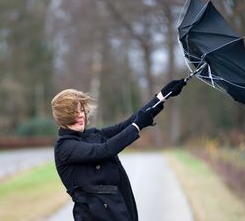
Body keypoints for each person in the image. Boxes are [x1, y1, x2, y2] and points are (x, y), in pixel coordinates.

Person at [51, 79, 186, 221]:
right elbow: (103, 151)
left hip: (119, 207)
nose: (81, 115)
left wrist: (161, 97)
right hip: (95, 216)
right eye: (74, 112)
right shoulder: (64, 147)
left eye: (81, 110)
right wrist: (137, 126)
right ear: (62, 118)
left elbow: (126, 125)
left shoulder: (92, 134)